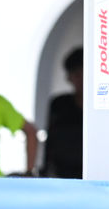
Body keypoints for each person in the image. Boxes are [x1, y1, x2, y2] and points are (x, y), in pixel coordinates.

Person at [40, 48, 82, 178]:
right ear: (69, 77)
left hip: (93, 172)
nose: (81, 80)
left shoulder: (102, 108)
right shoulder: (59, 105)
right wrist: (45, 171)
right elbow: (50, 141)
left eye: (83, 74)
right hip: (62, 174)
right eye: (76, 75)